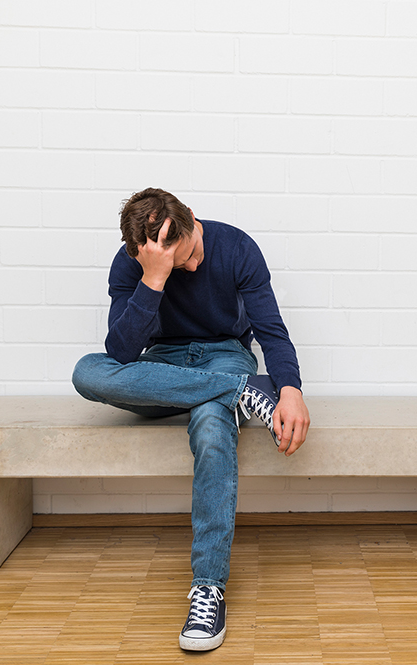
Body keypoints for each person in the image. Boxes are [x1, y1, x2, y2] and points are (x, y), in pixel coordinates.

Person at [71, 187, 310, 652]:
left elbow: (271, 331)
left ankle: (208, 587)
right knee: (87, 371)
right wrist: (155, 277)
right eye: (179, 263)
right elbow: (121, 354)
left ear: (192, 218)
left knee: (210, 424)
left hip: (225, 356)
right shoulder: (133, 266)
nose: (193, 267)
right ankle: (243, 394)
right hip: (161, 368)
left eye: (191, 253)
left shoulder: (237, 247)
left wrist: (290, 389)